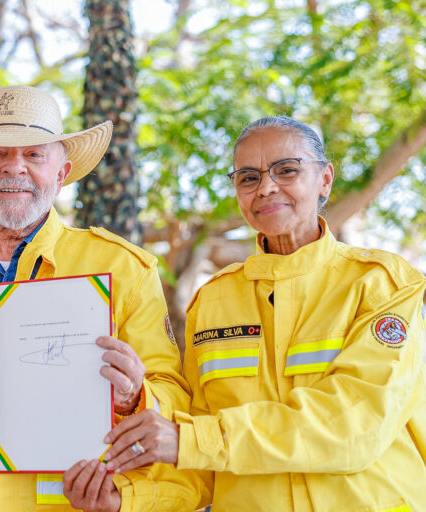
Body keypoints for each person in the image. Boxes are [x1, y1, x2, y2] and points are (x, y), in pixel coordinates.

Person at [0, 85, 207, 511]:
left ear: (61, 172)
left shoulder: (126, 268)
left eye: (34, 155)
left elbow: (175, 398)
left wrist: (135, 395)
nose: (13, 169)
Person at [102, 116, 426, 511]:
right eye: (248, 178)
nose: (267, 187)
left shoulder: (383, 286)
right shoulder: (213, 302)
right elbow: (197, 468)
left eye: (287, 170)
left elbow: (353, 427)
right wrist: (127, 501)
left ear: (325, 179)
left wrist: (193, 440)